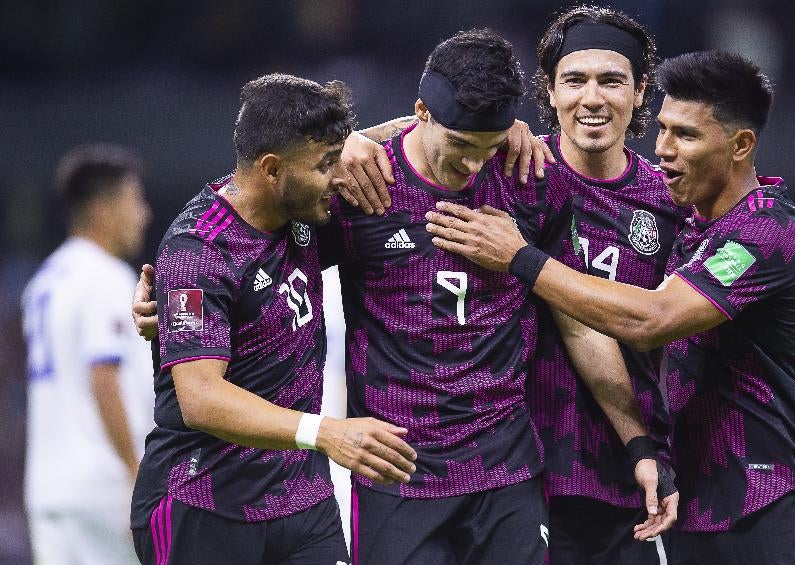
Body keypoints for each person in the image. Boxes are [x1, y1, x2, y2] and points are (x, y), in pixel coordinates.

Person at [132, 30, 675, 565]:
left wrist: (638, 442)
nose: (471, 166)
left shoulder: (529, 178)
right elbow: (253, 202)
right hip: (394, 472)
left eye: (487, 148)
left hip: (504, 471)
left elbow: (576, 322)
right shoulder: (360, 188)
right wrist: (178, 294)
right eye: (460, 146)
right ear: (421, 112)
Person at [426, 50, 795, 564]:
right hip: (697, 506)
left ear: (741, 145)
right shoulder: (692, 225)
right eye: (664, 130)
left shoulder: (762, 230)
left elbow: (651, 319)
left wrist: (520, 258)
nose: (665, 150)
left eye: (687, 136)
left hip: (775, 498)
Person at [129, 73, 417, 565]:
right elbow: (199, 399)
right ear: (270, 169)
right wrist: (324, 432)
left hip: (303, 507)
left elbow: (415, 143)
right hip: (204, 502)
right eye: (327, 164)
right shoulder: (197, 252)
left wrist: (501, 132)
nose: (341, 177)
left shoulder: (304, 212)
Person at [527, 7, 685, 563]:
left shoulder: (670, 202)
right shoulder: (515, 176)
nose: (592, 98)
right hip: (523, 471)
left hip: (635, 477)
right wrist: (359, 140)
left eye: (611, 80)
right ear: (549, 90)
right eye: (575, 80)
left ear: (641, 92)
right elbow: (432, 132)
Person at [21, 144, 154, 564]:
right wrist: (135, 471)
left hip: (47, 489)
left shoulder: (44, 281)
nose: (144, 215)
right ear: (102, 209)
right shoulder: (105, 277)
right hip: (104, 486)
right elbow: (103, 377)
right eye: (135, 201)